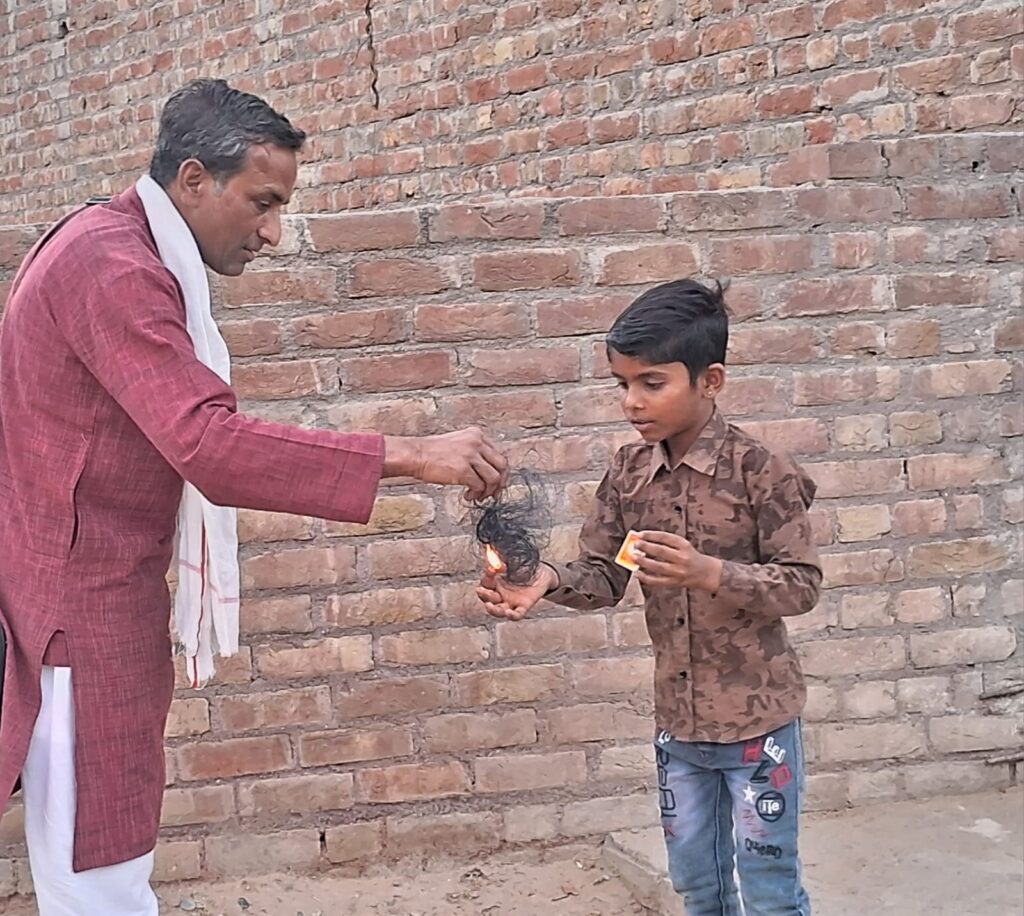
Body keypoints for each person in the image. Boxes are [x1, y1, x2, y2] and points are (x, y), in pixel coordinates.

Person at [0, 78, 507, 916]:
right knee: (100, 881)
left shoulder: (113, 240)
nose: (272, 232)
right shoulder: (112, 265)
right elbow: (209, 445)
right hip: (76, 620)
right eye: (262, 203)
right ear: (194, 179)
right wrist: (414, 454)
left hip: (77, 602)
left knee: (99, 869)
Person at [478, 278, 820, 916]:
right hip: (679, 728)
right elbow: (604, 577)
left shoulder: (762, 472)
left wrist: (708, 572)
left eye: (652, 383)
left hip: (758, 727)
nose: (632, 401)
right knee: (697, 884)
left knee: (769, 889)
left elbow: (801, 585)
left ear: (710, 381)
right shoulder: (629, 473)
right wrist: (545, 580)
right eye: (622, 384)